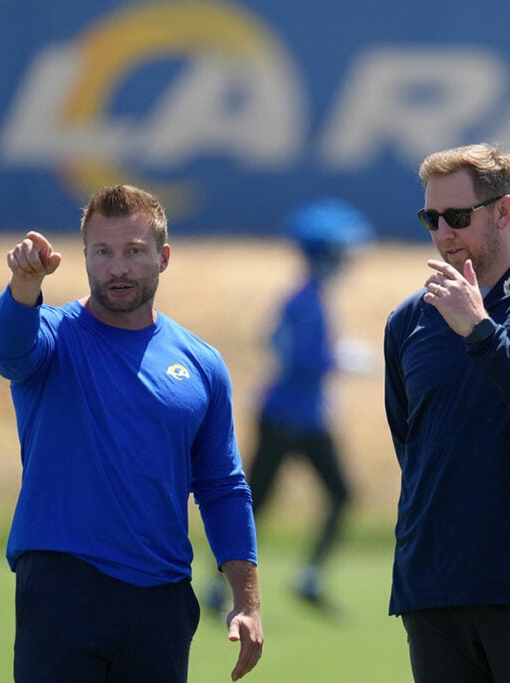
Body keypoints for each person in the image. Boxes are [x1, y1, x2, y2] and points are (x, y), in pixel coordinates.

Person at [0, 184, 263, 682]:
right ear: (85, 258)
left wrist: (247, 602)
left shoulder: (201, 363)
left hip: (161, 598)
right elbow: (10, 353)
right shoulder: (51, 335)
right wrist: (23, 286)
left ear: (163, 257)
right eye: (103, 252)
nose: (117, 267)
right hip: (61, 584)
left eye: (134, 252)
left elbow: (222, 487)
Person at [383, 143, 510, 682]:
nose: (444, 233)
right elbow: (411, 443)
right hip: (432, 584)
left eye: (458, 218)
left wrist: (481, 332)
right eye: (431, 219)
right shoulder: (410, 319)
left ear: (504, 211)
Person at [209, 198, 373, 615]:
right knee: (256, 502)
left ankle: (309, 578)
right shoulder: (303, 300)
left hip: (306, 417)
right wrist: (342, 359)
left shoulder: (309, 297)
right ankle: (218, 583)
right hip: (286, 417)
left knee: (337, 495)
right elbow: (299, 358)